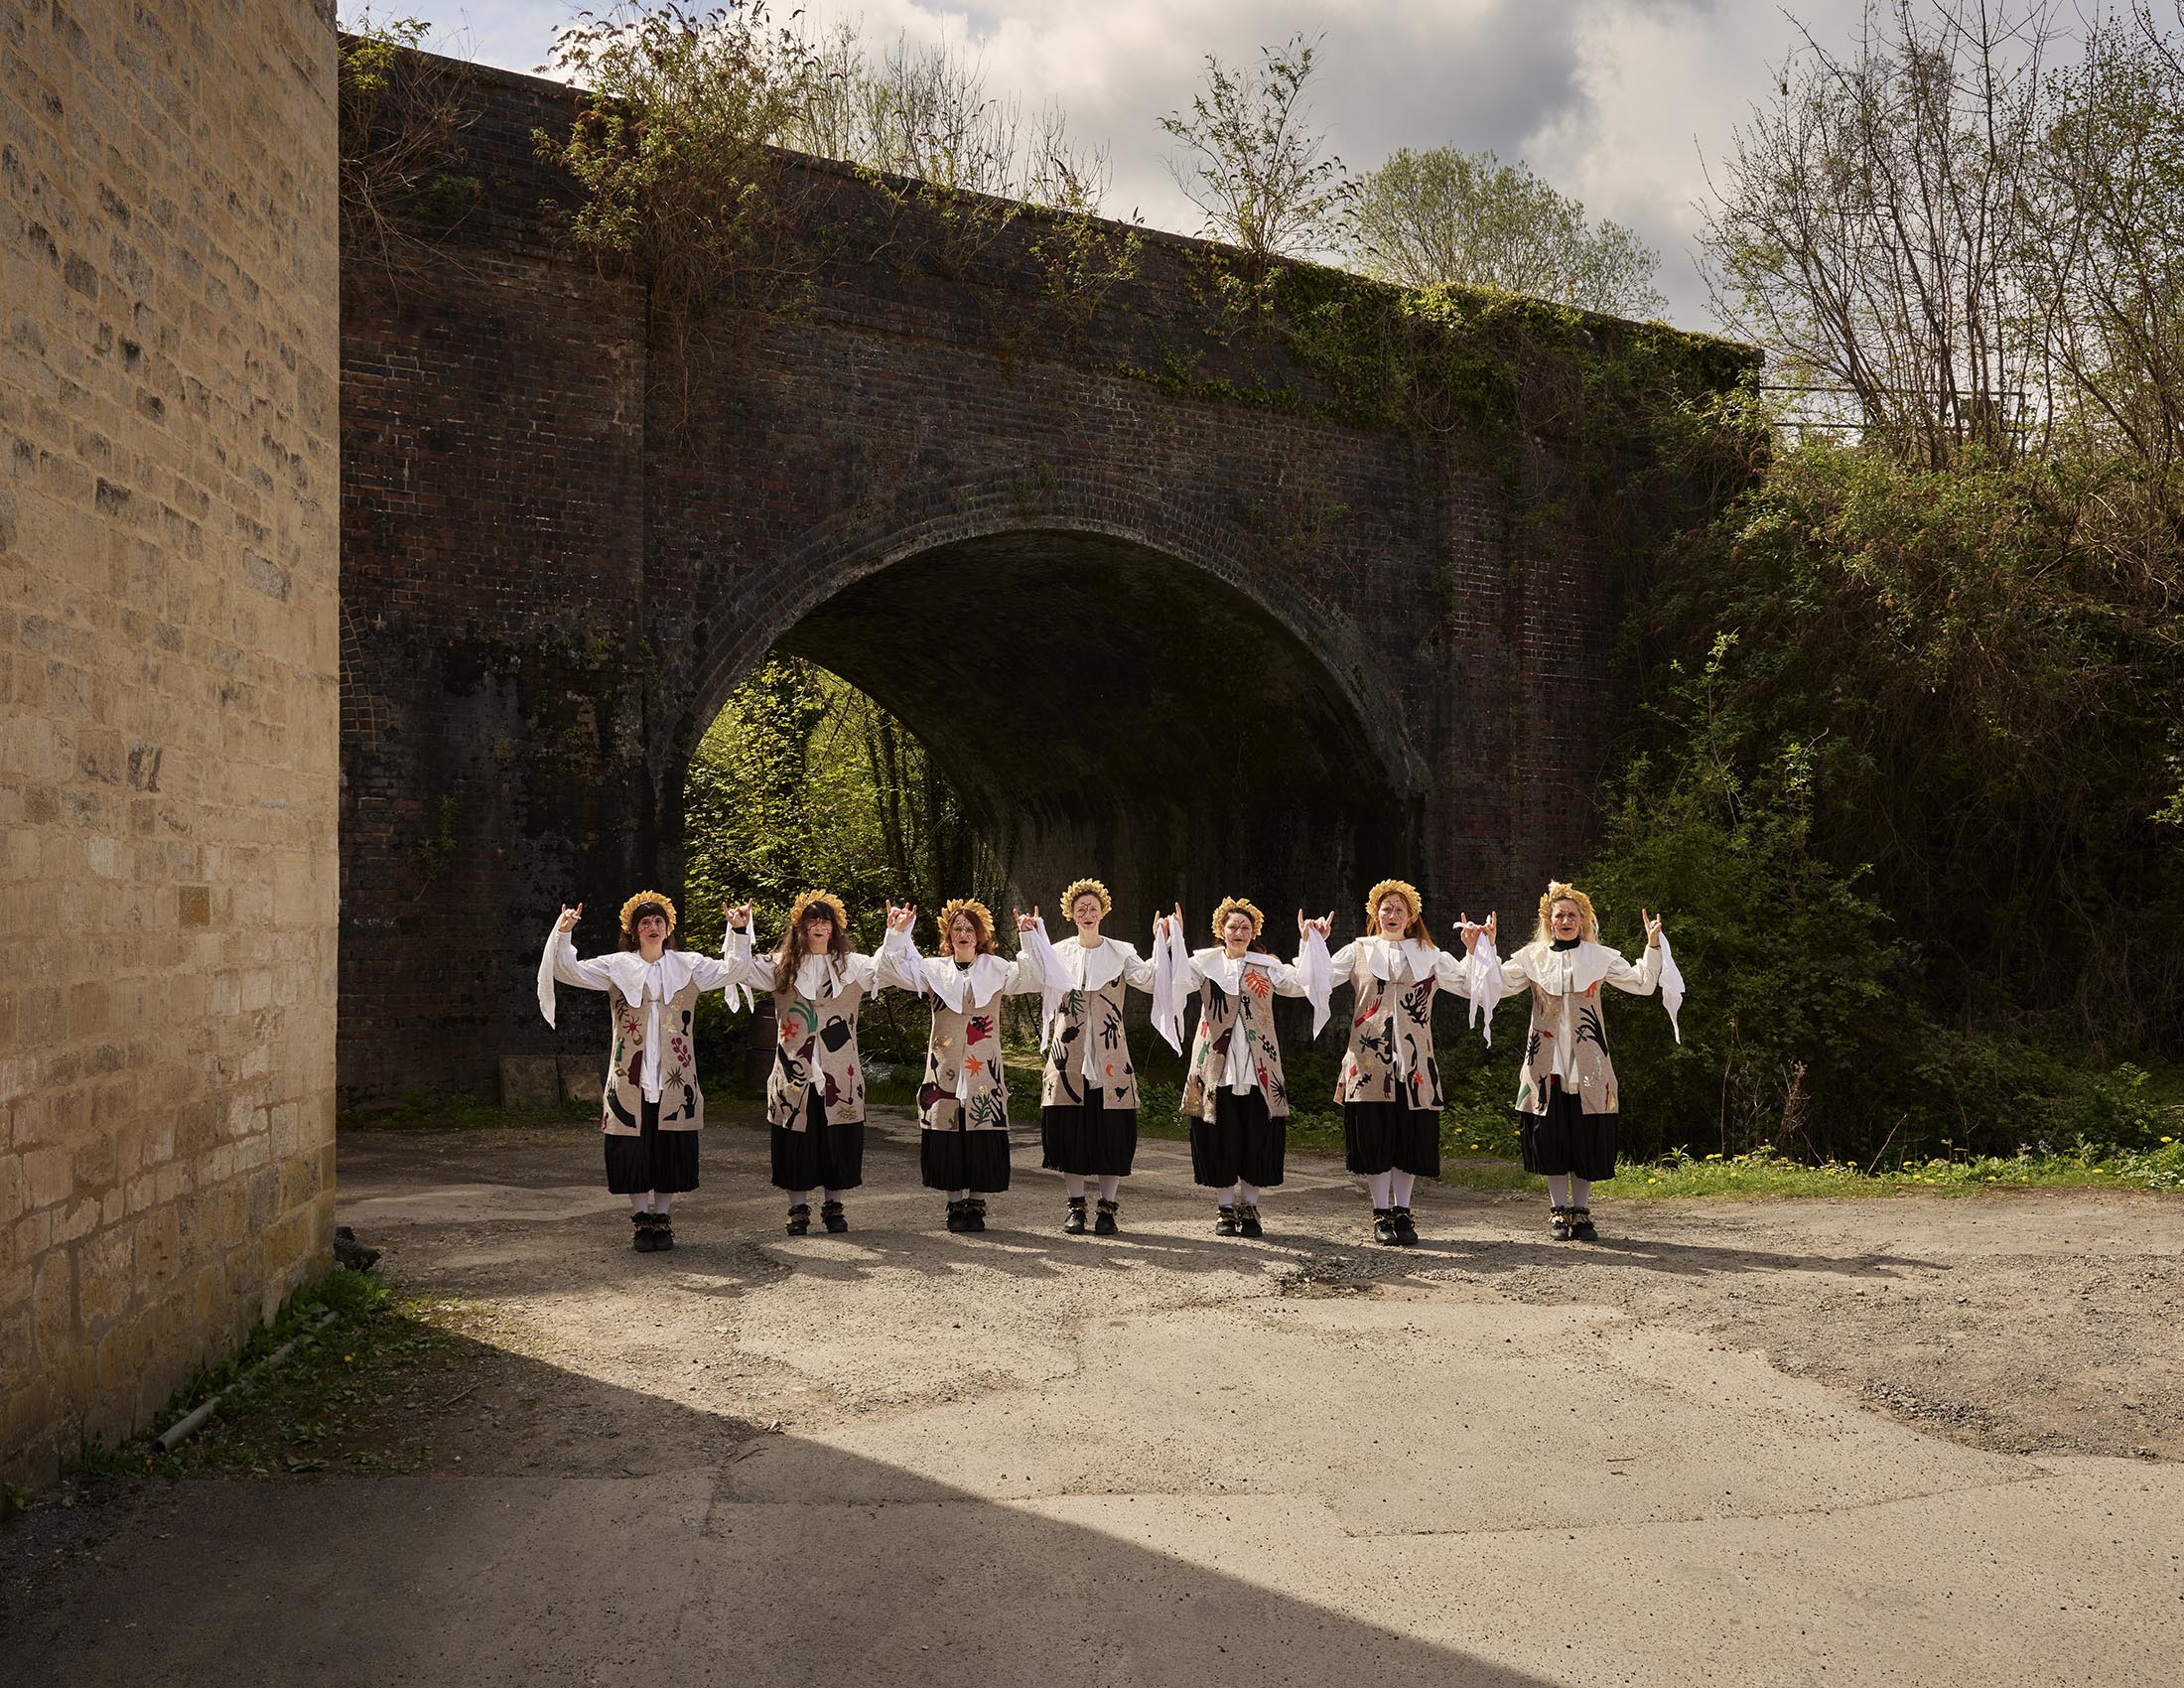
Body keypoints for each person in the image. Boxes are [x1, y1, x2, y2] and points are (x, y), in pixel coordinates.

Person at [536, 892, 745, 1252]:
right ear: (634, 931)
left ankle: (662, 1218)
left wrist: (738, 932)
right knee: (630, 1149)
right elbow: (567, 970)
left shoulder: (688, 965)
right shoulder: (616, 965)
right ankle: (640, 1220)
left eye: (658, 922)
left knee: (670, 1148)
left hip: (675, 1076)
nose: (652, 927)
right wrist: (564, 932)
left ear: (668, 929)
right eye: (645, 922)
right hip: (630, 1076)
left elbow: (734, 970)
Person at [1467, 883, 1665, 1241]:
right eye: (1559, 915)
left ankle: (1582, 1212)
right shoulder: (1532, 957)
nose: (1566, 920)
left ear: (1583, 920)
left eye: (1573, 915)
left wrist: (1652, 946)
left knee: (1586, 1136)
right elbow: (1494, 985)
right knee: (1553, 1136)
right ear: (1549, 920)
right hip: (1546, 1063)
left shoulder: (1600, 956)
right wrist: (1486, 947)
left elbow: (1644, 984)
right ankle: (1559, 1211)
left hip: (1589, 1063)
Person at [1304, 879, 1485, 1247]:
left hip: (1415, 1060)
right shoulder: (1359, 950)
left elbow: (1471, 984)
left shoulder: (1429, 954)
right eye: (1385, 908)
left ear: (1411, 915)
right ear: (1375, 913)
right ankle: (1380, 1213)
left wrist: (1475, 949)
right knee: (1375, 1139)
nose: (1392, 913)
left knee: (1409, 1138)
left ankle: (1403, 1211)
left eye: (1399, 908)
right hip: (1369, 1060)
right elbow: (1314, 979)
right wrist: (1314, 945)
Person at [727, 891, 915, 1236]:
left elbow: (888, 967)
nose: (819, 925)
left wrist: (896, 933)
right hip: (793, 1072)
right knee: (795, 1140)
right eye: (812, 920)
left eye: (825, 920)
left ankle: (834, 1206)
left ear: (835, 928)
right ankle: (797, 1209)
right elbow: (738, 969)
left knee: (837, 1138)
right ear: (800, 927)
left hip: (839, 1073)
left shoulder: (853, 966)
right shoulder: (781, 965)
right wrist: (739, 932)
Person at [878, 898, 1055, 1232]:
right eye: (957, 928)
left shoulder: (997, 968)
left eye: (969, 929)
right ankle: (954, 1203)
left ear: (980, 935)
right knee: (948, 1135)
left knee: (981, 1133)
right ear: (949, 935)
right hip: (944, 1066)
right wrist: (897, 933)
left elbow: (1034, 977)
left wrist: (1028, 937)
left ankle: (976, 1202)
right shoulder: (933, 970)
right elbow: (889, 970)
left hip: (983, 1068)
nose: (963, 933)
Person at [1156, 897, 1326, 1237]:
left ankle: (1249, 1208)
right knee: (1219, 1136)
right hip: (1215, 1064)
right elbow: (1172, 979)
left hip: (1258, 1064)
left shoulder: (1267, 965)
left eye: (1245, 927)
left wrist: (1310, 943)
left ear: (1253, 933)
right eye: (1232, 926)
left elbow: (1300, 984)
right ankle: (1224, 1209)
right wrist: (1172, 938)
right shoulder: (1203, 963)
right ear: (1221, 930)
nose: (1238, 931)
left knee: (1256, 1136)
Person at [1036, 878, 1178, 1235]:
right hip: (1068, 1056)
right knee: (1071, 1132)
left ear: (1103, 912)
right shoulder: (1057, 952)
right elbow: (1028, 974)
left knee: (1111, 1132)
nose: (1087, 913)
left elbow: (1150, 979)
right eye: (1080, 908)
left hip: (1110, 1055)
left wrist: (1165, 940)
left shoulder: (1120, 951)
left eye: (1093, 908)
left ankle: (1107, 1208)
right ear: (1071, 914)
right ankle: (1076, 1207)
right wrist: (1029, 935)